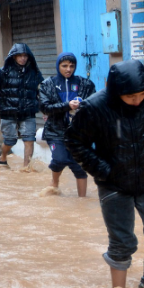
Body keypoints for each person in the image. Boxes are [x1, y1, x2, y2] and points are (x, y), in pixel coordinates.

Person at [66, 60, 144, 288]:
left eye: (141, 94)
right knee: (121, 242)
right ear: (116, 92)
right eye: (130, 97)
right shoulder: (94, 107)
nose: (137, 100)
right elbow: (74, 141)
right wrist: (104, 170)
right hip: (114, 184)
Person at [39, 52, 96, 197]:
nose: (68, 69)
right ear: (58, 66)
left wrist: (82, 106)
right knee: (60, 159)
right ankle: (54, 182)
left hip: (79, 132)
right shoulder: (48, 84)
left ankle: (82, 201)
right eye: (64, 66)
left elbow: (94, 105)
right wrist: (67, 106)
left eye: (72, 66)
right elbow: (45, 107)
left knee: (80, 166)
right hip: (55, 130)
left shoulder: (85, 84)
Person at [0, 43, 42, 170]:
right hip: (8, 111)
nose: (23, 58)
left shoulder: (34, 73)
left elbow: (42, 89)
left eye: (25, 56)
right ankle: (3, 157)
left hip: (28, 111)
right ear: (13, 57)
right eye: (20, 56)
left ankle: (26, 168)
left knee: (29, 139)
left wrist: (45, 109)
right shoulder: (3, 72)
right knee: (10, 141)